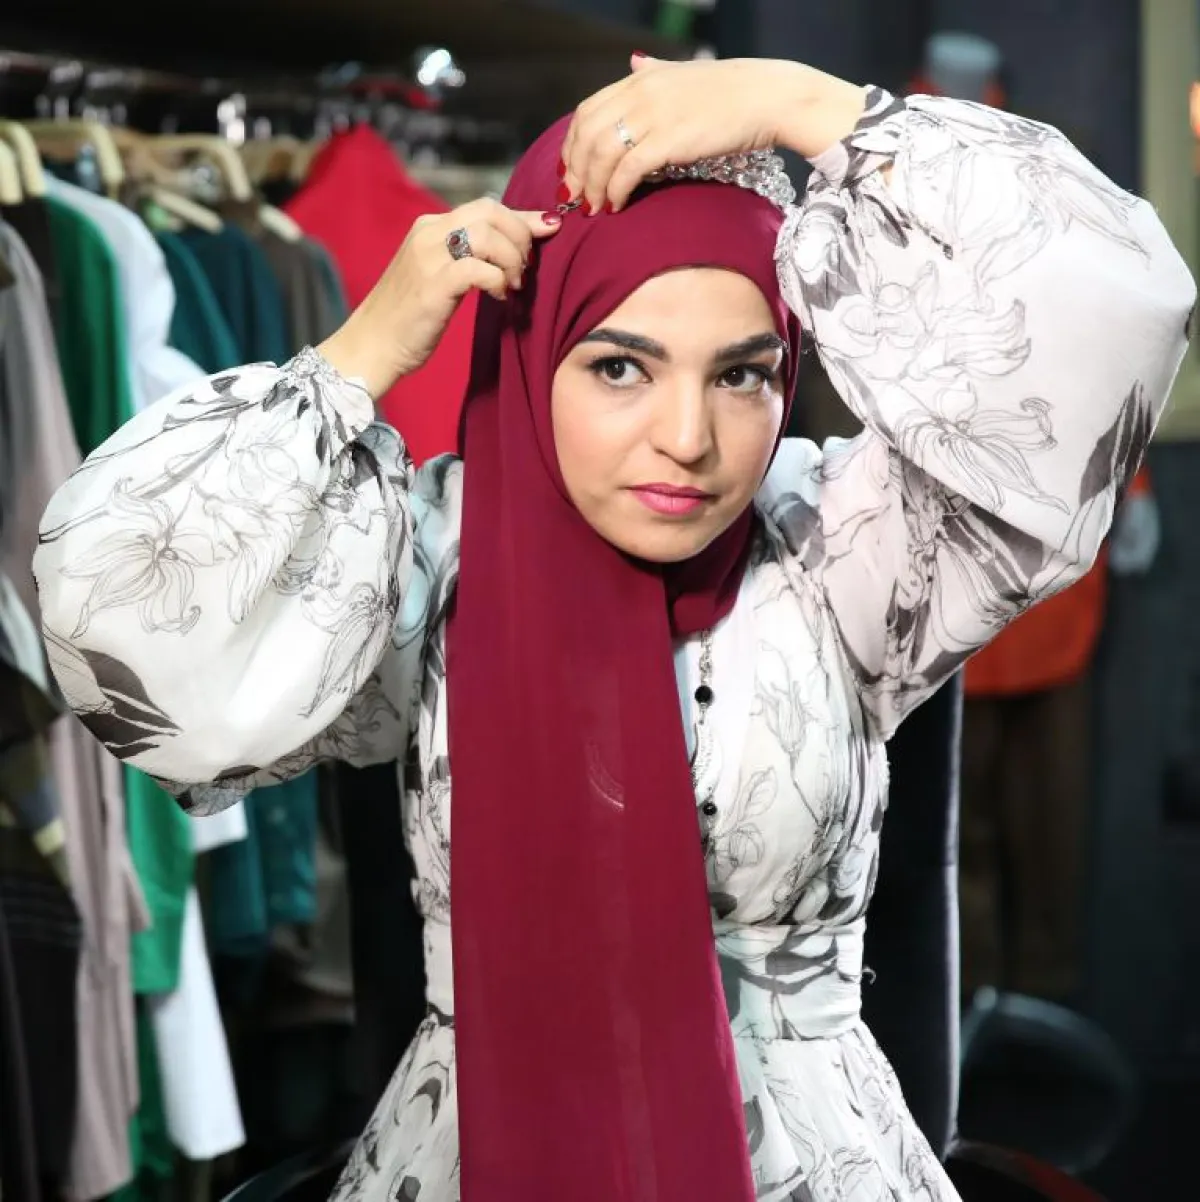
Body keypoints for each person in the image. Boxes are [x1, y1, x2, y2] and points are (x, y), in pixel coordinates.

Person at [31, 53, 1193, 1202]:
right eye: (621, 366)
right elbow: (111, 629)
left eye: (742, 375)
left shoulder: (843, 548)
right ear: (534, 348)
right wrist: (362, 352)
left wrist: (799, 104)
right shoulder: (419, 561)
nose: (687, 437)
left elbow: (1116, 315)